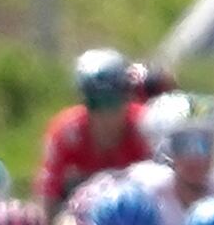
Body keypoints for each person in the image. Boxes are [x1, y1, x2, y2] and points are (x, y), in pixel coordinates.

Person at [37, 48, 152, 201]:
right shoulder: (65, 131)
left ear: (129, 97)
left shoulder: (146, 126)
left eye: (113, 102)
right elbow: (48, 191)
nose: (105, 113)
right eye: (95, 103)